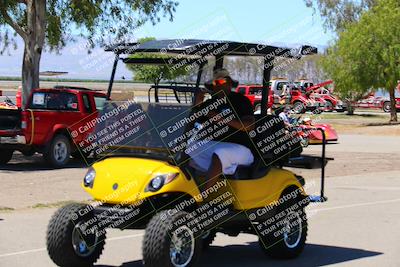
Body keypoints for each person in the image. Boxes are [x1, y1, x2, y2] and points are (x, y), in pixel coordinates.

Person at [188, 68, 255, 192]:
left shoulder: (241, 101)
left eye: (221, 82)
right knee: (185, 150)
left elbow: (248, 126)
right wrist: (196, 105)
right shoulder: (210, 103)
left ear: (229, 83)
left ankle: (203, 197)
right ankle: (186, 191)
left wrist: (222, 119)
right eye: (215, 83)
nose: (217, 86)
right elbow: (191, 123)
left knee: (220, 153)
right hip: (214, 144)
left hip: (240, 148)